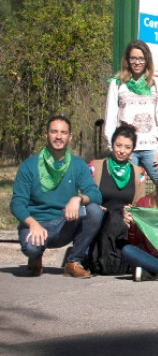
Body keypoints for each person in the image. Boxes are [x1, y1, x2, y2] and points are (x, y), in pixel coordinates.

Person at [11, 116, 104, 278]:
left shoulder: (78, 165)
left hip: (64, 223)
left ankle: (73, 262)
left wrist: (78, 199)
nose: (59, 136)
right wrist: (32, 224)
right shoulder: (29, 166)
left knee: (94, 210)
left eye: (63, 132)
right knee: (32, 248)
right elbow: (17, 203)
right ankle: (35, 257)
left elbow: (95, 194)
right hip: (36, 224)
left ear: (70, 136)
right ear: (46, 134)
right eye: (54, 132)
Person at [104, 40, 158, 182]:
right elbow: (111, 117)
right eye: (133, 58)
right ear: (127, 60)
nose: (137, 62)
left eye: (141, 58)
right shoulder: (117, 83)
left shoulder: (155, 83)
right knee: (129, 189)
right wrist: (113, 147)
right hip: (127, 150)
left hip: (151, 147)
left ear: (147, 60)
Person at [89, 125, 144, 275]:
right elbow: (85, 193)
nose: (122, 150)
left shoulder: (139, 173)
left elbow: (139, 204)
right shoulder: (96, 167)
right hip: (100, 220)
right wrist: (94, 205)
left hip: (124, 223)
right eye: (118, 145)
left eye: (127, 147)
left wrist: (130, 214)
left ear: (132, 149)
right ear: (112, 144)